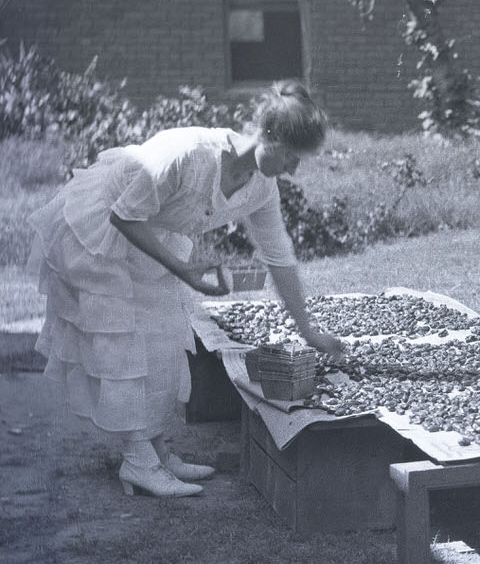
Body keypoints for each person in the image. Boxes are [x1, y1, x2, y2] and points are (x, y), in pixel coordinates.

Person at [28, 80, 345, 498]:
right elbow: (123, 216)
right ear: (269, 135)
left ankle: (158, 452)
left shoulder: (261, 187)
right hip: (97, 230)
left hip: (149, 238)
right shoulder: (186, 153)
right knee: (122, 345)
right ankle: (138, 463)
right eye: (291, 156)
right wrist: (185, 270)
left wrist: (309, 331)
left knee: (163, 340)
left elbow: (279, 259)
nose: (292, 169)